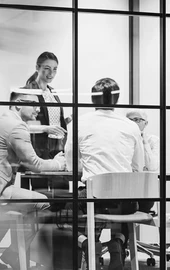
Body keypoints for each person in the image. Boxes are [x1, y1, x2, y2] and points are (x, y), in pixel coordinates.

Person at [65, 78, 145, 270]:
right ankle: (118, 242)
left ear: (92, 99)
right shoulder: (131, 126)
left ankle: (87, 243)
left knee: (62, 210)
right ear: (116, 100)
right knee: (124, 204)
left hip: (93, 196)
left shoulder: (78, 123)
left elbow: (70, 165)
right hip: (126, 198)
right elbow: (138, 166)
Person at [0, 91, 66, 269]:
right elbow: (34, 163)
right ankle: (13, 253)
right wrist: (58, 163)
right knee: (42, 202)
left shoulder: (3, 120)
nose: (39, 109)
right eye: (35, 104)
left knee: (24, 205)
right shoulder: (16, 126)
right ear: (19, 104)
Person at [23, 52, 70, 192]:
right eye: (47, 68)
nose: (51, 73)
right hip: (38, 145)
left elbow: (52, 118)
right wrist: (46, 128)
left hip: (57, 145)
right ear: (37, 67)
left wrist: (65, 121)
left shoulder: (52, 92)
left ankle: (59, 213)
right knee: (41, 188)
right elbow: (22, 123)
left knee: (61, 187)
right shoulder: (28, 91)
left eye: (55, 69)